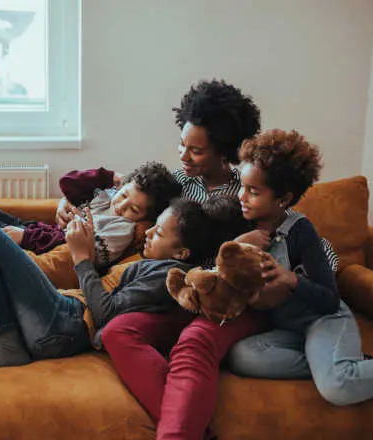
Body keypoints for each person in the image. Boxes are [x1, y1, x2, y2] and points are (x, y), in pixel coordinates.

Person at [100, 79, 265, 440]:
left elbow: (278, 239)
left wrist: (248, 241)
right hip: (178, 297)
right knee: (115, 331)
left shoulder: (249, 192)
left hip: (221, 302)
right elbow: (123, 198)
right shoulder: (177, 183)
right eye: (182, 144)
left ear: (224, 152)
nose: (183, 156)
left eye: (196, 151)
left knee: (193, 344)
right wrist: (73, 205)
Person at [0, 198, 217, 373]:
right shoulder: (147, 258)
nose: (148, 233)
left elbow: (106, 315)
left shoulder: (169, 275)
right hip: (62, 308)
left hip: (65, 325)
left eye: (159, 233)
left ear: (182, 253)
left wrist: (82, 258)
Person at [228, 129, 373, 406]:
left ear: (283, 199)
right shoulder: (241, 223)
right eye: (242, 187)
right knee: (242, 356)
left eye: (253, 191)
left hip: (324, 320)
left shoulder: (301, 232)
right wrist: (236, 244)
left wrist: (291, 281)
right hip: (289, 331)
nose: (242, 196)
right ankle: (338, 364)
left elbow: (329, 299)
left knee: (338, 388)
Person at [0, 162, 181, 269]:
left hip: (40, 244)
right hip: (39, 231)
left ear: (145, 218)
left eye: (134, 210)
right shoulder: (107, 198)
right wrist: (108, 176)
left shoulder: (122, 229)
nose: (122, 207)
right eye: (124, 196)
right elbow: (68, 183)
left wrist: (26, 238)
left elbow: (77, 250)